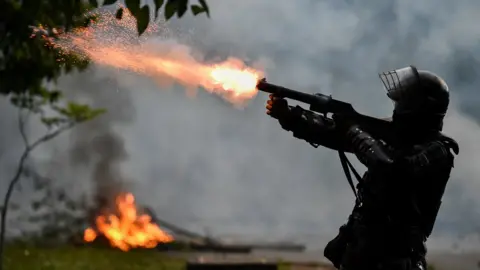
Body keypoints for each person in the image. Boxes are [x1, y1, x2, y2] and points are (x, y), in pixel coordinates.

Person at [265, 66, 459, 270]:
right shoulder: (395, 135)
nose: (397, 106)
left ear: (418, 106)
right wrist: (291, 117)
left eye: (404, 100)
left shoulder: (439, 151)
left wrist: (353, 130)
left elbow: (391, 167)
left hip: (395, 257)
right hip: (362, 250)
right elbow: (334, 133)